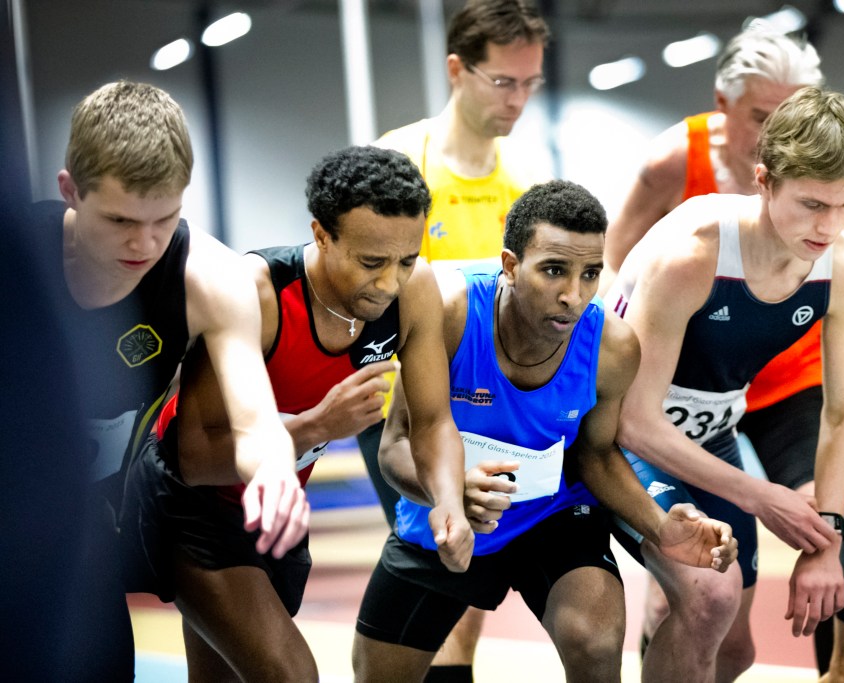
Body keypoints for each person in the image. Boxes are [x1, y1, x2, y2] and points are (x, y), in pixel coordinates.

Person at [352, 180, 738, 683]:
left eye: (590, 274)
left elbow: (596, 455)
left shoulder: (613, 347)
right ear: (511, 266)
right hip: (445, 515)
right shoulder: (450, 313)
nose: (572, 295)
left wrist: (661, 527)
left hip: (553, 514)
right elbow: (397, 446)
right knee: (376, 676)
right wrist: (451, 493)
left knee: (596, 643)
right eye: (554, 270)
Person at [123, 146, 474, 681]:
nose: (390, 283)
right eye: (372, 263)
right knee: (291, 674)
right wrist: (318, 427)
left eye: (406, 259)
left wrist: (448, 500)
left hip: (274, 504)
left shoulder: (414, 290)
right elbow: (193, 459)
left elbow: (431, 423)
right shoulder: (257, 293)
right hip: (188, 504)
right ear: (322, 234)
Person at [36, 80, 306, 680]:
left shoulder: (211, 278)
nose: (145, 242)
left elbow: (255, 419)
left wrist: (273, 471)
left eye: (166, 218)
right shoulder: (18, 267)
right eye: (119, 220)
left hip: (88, 524)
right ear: (69, 192)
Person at [607, 87, 844, 681]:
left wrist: (825, 540)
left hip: (710, 434)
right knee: (711, 599)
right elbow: (635, 420)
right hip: (616, 440)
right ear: (763, 180)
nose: (828, 227)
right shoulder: (693, 254)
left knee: (734, 650)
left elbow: (842, 414)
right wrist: (764, 495)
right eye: (811, 204)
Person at [372, 2, 551, 678]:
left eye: (531, 83)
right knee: (442, 592)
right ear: (457, 68)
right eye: (505, 82)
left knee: (464, 608)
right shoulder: (400, 161)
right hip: (403, 407)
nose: (520, 99)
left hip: (487, 407)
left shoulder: (526, 185)